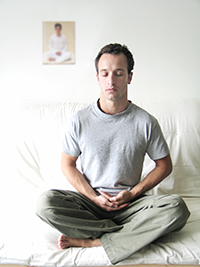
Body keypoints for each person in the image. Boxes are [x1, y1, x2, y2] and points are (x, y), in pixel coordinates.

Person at [37, 43, 190, 265]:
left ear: (129, 77)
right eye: (105, 73)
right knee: (46, 203)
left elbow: (164, 165)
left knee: (177, 209)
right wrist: (93, 197)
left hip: (131, 204)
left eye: (119, 73)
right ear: (97, 77)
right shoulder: (80, 120)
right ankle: (127, 236)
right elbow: (67, 164)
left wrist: (134, 193)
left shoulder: (145, 122)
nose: (111, 81)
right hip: (90, 203)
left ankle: (95, 241)